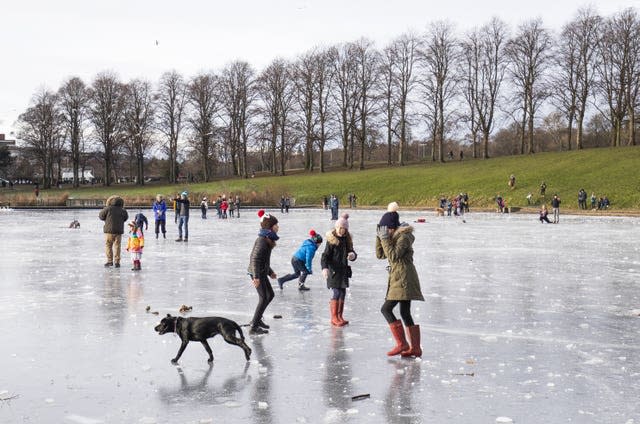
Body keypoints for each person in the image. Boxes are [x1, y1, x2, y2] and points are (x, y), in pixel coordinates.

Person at [375, 202, 424, 357]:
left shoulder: (403, 237)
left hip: (404, 278)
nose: (386, 233)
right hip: (400, 276)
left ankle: (402, 344)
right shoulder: (393, 237)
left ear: (392, 227)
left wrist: (384, 239)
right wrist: (379, 237)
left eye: (386, 229)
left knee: (386, 309)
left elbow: (393, 256)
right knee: (405, 312)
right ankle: (415, 348)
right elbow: (381, 255)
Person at [247, 210, 280, 335]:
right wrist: (256, 277)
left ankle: (258, 320)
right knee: (264, 297)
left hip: (261, 271)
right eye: (276, 224)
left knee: (269, 295)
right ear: (269, 227)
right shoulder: (262, 240)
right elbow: (254, 259)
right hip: (256, 272)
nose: (278, 226)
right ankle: (254, 326)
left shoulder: (267, 238)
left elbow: (263, 259)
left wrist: (270, 272)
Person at [321, 213, 357, 327]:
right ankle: (334, 317)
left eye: (344, 229)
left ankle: (340, 316)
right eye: (341, 228)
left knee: (343, 293)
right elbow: (325, 256)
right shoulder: (332, 240)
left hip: (343, 271)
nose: (342, 231)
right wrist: (325, 268)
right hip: (334, 271)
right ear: (337, 228)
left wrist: (352, 255)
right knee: (336, 292)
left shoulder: (347, 240)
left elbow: (353, 252)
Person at [99, 195, 129, 268]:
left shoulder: (107, 209)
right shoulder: (123, 210)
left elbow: (101, 216)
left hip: (109, 231)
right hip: (118, 231)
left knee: (108, 245)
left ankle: (109, 261)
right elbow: (125, 218)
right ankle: (117, 262)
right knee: (117, 246)